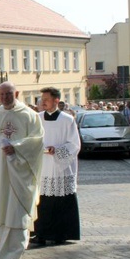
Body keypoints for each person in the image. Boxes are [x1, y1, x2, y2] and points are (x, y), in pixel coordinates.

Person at [0, 81, 44, 259]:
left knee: (18, 210)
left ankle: (14, 252)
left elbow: (37, 142)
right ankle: (5, 249)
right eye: (2, 94)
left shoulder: (29, 116)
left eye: (9, 94)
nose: (5, 97)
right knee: (4, 210)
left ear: (17, 93)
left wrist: (16, 148)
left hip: (21, 173)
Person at [31, 87, 81, 246]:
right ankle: (41, 233)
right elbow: (31, 139)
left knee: (61, 202)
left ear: (56, 101)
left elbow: (74, 144)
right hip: (43, 166)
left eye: (46, 99)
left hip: (61, 167)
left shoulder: (67, 120)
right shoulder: (37, 118)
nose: (42, 102)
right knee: (43, 202)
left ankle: (61, 234)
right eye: (41, 99)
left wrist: (57, 150)